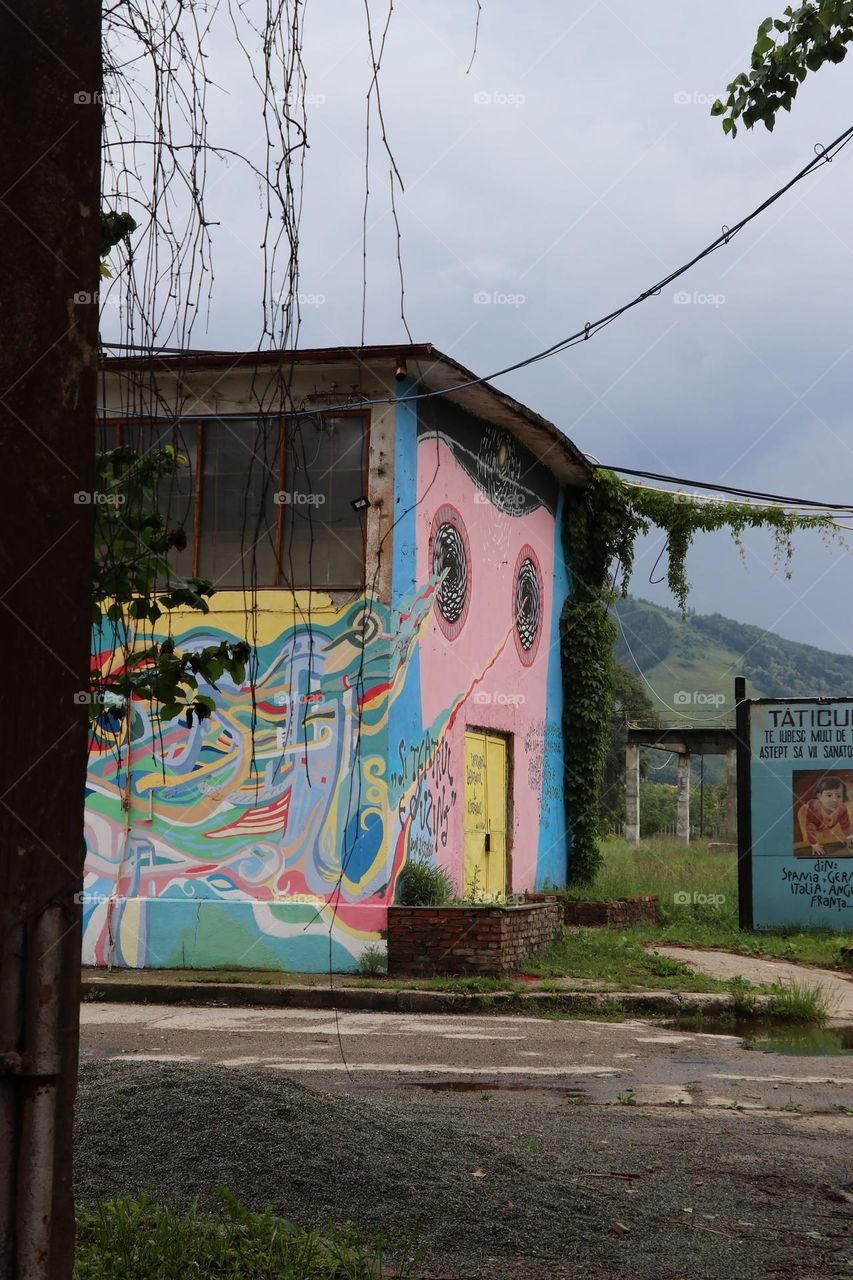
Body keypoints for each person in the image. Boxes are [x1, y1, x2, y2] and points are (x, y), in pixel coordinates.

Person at [799, 776, 853, 855]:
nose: (834, 800)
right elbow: (809, 827)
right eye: (829, 795)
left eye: (838, 796)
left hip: (829, 825)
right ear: (819, 797)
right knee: (811, 840)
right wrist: (814, 844)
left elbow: (846, 824)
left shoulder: (841, 808)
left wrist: (849, 836)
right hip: (812, 821)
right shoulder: (813, 809)